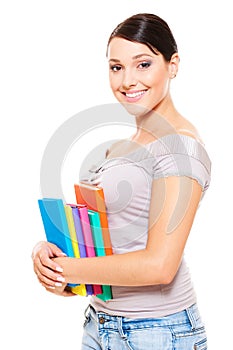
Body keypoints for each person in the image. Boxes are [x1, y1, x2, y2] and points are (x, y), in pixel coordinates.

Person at [32, 13, 211, 349]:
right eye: (116, 67)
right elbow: (108, 247)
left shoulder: (179, 148)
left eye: (143, 64)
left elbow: (160, 266)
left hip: (157, 332)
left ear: (173, 65)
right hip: (101, 323)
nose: (127, 80)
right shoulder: (121, 148)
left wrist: (71, 269)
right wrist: (54, 260)